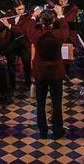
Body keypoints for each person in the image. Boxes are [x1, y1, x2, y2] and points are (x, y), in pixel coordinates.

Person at [27, 9, 69, 139]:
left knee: (41, 103)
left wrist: (33, 16)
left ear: (41, 21)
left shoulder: (36, 35)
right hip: (56, 73)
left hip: (41, 73)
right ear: (53, 21)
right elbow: (65, 27)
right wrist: (61, 15)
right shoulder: (58, 35)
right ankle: (57, 130)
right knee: (56, 102)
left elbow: (28, 29)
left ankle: (43, 130)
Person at [0, 0, 38, 97]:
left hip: (23, 44)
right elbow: (1, 27)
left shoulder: (27, 17)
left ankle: (27, 83)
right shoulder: (9, 14)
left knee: (26, 60)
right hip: (11, 43)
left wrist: (9, 25)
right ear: (14, 8)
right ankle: (12, 85)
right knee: (11, 62)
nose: (21, 11)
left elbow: (22, 31)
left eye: (23, 9)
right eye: (19, 9)